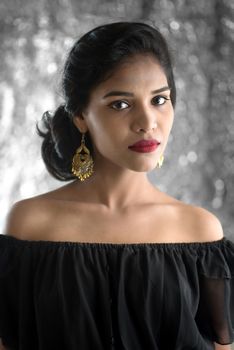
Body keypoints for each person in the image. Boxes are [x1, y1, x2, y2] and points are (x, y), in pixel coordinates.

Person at [0, 21, 233, 350]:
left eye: (159, 100)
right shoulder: (30, 224)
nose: (147, 122)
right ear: (81, 115)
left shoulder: (200, 232)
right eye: (120, 104)